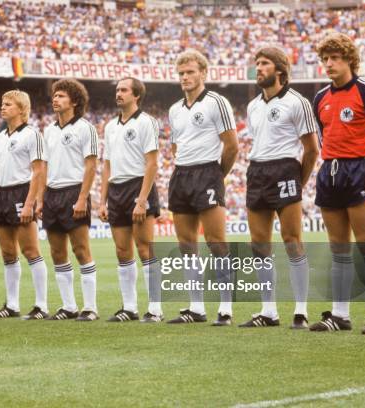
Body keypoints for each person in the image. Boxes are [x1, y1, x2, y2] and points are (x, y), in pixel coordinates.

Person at [310, 32, 365, 334]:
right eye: (325, 59)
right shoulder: (320, 97)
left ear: (349, 59)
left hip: (359, 169)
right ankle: (339, 315)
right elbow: (324, 138)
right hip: (329, 172)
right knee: (338, 248)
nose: (329, 64)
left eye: (335, 58)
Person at [239, 47, 319, 329]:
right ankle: (268, 311)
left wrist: (299, 181)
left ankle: (300, 310)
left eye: (264, 64)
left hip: (285, 168)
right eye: (256, 63)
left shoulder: (297, 102)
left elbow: (311, 150)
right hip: (257, 170)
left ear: (280, 71)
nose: (258, 68)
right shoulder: (253, 106)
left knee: (292, 239)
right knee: (259, 243)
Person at [167, 50, 239, 326]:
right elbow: (175, 145)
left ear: (203, 73)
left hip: (208, 172)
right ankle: (196, 308)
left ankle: (226, 308)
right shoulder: (174, 109)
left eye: (190, 72)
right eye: (182, 73)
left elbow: (231, 145)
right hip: (181, 174)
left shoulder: (216, 102)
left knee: (216, 242)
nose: (185, 77)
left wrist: (217, 175)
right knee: (187, 245)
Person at [99, 77, 163, 323]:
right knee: (122, 250)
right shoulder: (110, 126)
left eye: (124, 90)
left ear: (136, 95)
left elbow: (152, 163)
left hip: (138, 187)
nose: (119, 93)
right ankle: (129, 308)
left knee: (145, 248)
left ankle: (155, 309)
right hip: (116, 189)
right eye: (117, 90)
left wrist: (141, 200)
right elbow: (107, 165)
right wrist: (102, 200)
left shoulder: (147, 122)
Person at [0, 90, 49, 320]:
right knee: (7, 253)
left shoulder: (32, 135)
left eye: (8, 104)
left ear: (21, 109)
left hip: (21, 193)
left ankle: (41, 305)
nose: (2, 107)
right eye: (2, 104)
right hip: (2, 195)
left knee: (31, 251)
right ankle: (12, 305)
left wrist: (29, 203)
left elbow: (38, 171)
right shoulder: (1, 136)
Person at [42, 79, 99, 321]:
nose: (56, 99)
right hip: (52, 194)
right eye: (55, 96)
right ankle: (68, 306)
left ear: (74, 101)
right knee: (57, 252)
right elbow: (44, 166)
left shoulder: (86, 128)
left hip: (74, 192)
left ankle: (90, 307)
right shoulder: (49, 130)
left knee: (81, 249)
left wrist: (82, 198)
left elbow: (91, 165)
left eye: (61, 96)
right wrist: (39, 197)